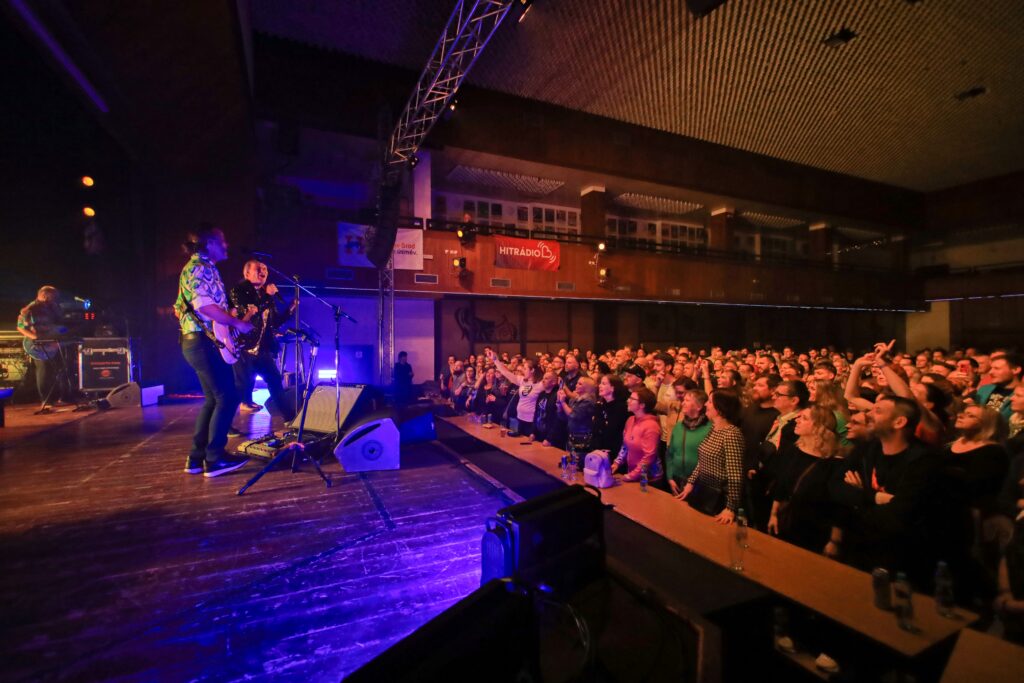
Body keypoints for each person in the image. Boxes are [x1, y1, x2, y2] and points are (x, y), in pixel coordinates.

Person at [829, 396, 939, 584]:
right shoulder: (866, 449)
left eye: (877, 411)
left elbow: (900, 515)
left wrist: (858, 497)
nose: (868, 414)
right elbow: (834, 487)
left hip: (900, 560)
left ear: (899, 422)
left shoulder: (923, 461)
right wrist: (876, 498)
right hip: (858, 548)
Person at [173, 224, 253, 477]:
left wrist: (228, 317)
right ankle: (215, 458)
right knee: (228, 397)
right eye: (222, 241)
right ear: (209, 244)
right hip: (202, 342)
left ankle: (197, 458)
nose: (226, 245)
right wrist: (238, 323)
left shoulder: (198, 267)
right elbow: (205, 307)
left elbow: (180, 308)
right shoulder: (200, 267)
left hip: (196, 340)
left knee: (213, 399)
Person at [767, 406, 845, 556]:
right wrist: (773, 514)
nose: (797, 420)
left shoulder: (834, 463)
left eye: (804, 418)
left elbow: (838, 506)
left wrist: (834, 540)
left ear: (819, 427)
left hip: (814, 530)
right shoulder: (793, 451)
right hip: (786, 522)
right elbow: (781, 485)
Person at [228, 260, 297, 420]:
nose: (263, 271)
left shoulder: (264, 295)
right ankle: (224, 425)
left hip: (262, 349)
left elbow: (274, 322)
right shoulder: (239, 291)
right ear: (247, 273)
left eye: (265, 269)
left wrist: (290, 309)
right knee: (241, 387)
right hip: (242, 347)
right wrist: (267, 295)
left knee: (275, 379)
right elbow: (249, 315)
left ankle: (290, 418)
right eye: (258, 269)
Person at [679, 390, 746, 524]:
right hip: (703, 491)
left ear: (720, 408)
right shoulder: (714, 428)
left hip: (718, 499)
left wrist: (730, 508)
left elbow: (735, 476)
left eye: (710, 402)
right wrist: (691, 482)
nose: (705, 405)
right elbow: (702, 460)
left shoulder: (732, 434)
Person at [16, 285, 72, 410]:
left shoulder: (53, 308)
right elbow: (20, 327)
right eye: (53, 296)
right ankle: (46, 400)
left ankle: (62, 397)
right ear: (45, 296)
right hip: (38, 345)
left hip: (51, 342)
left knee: (60, 368)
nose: (55, 299)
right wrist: (36, 338)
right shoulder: (31, 309)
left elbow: (58, 324)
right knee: (44, 371)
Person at [666, 389, 712, 497]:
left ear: (699, 406)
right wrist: (670, 477)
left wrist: (692, 482)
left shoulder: (710, 428)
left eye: (687, 400)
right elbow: (670, 453)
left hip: (698, 483)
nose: (683, 403)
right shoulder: (679, 426)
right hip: (676, 479)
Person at [612, 387, 663, 484]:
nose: (628, 400)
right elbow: (625, 446)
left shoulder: (651, 426)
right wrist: (617, 463)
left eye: (632, 399)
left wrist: (633, 475)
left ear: (642, 405)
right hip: (633, 473)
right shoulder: (630, 420)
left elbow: (649, 456)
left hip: (649, 478)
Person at [590, 374, 630, 462]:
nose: (600, 386)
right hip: (597, 451)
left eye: (604, 384)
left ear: (612, 388)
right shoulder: (599, 405)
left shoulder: (622, 408)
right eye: (600, 383)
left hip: (613, 453)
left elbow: (617, 433)